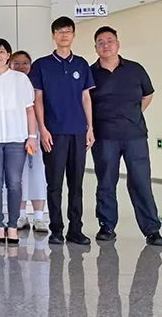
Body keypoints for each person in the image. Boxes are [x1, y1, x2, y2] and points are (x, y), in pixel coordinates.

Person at [88, 26, 162, 245]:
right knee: (106, 182)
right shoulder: (90, 73)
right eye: (100, 42)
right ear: (96, 48)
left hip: (134, 136)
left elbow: (148, 95)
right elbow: (84, 103)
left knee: (141, 181)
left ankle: (152, 229)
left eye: (110, 41)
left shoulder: (135, 69)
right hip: (104, 136)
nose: (106, 45)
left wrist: (133, 116)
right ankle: (107, 226)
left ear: (118, 44)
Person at [30, 16, 95, 245]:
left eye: (67, 31)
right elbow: (38, 99)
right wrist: (42, 129)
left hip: (78, 131)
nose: (64, 35)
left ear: (73, 35)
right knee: (55, 184)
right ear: (53, 36)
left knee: (76, 184)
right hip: (54, 132)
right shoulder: (42, 65)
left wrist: (90, 128)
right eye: (59, 31)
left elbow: (86, 97)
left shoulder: (82, 64)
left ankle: (75, 230)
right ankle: (56, 229)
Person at [0, 37, 37, 244]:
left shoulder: (20, 79)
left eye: (1, 52)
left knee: (14, 182)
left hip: (17, 139)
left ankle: (12, 225)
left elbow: (29, 110)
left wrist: (32, 136)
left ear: (8, 56)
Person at [10, 50, 49, 232]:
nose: (21, 67)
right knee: (18, 174)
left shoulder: (37, 84)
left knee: (38, 173)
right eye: (16, 63)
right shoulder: (8, 84)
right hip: (15, 134)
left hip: (37, 133)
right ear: (10, 65)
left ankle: (39, 217)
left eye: (25, 63)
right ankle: (21, 215)